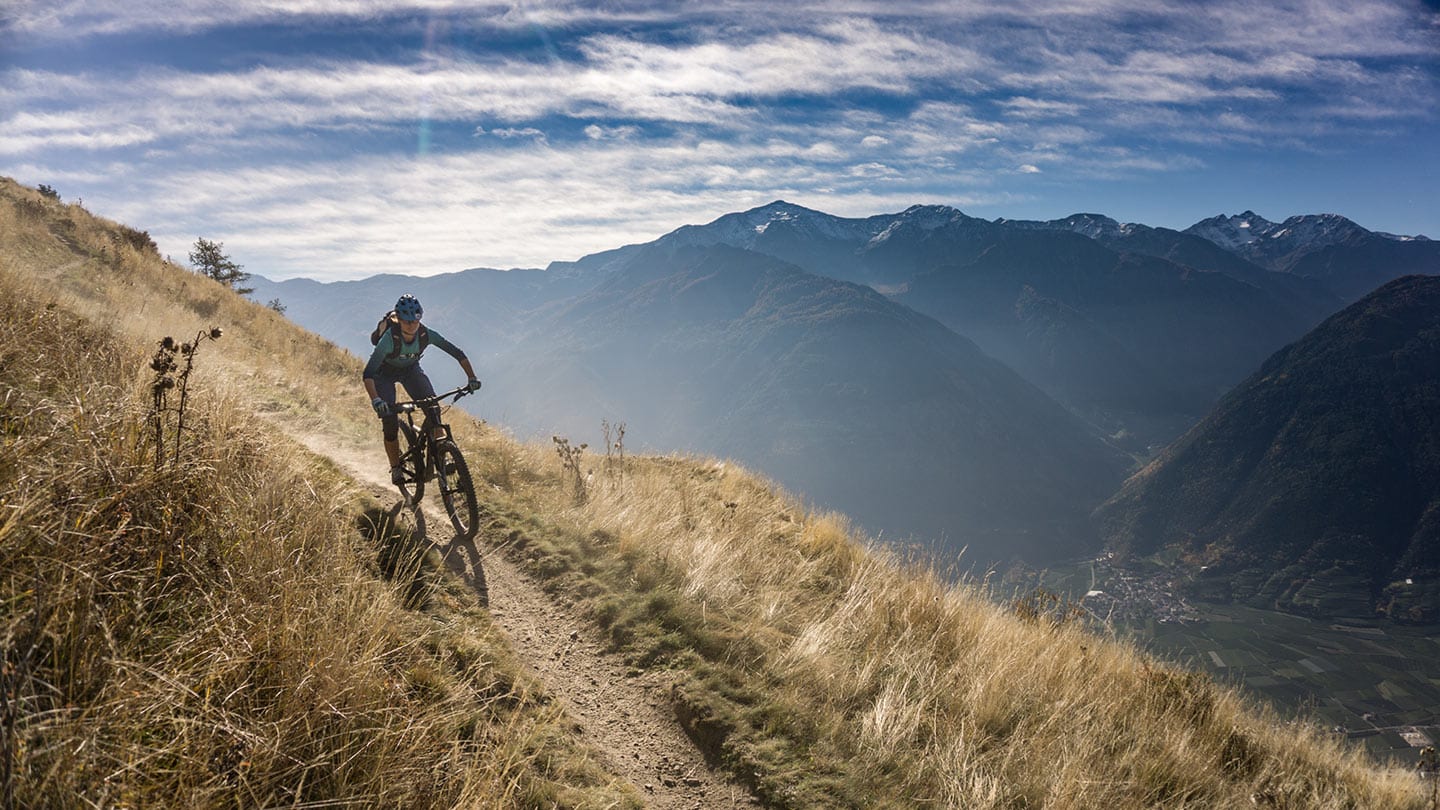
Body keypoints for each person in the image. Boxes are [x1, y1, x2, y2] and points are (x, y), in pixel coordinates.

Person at [362, 293, 481, 484]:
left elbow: (457, 353)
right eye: (407, 322)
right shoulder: (388, 340)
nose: (412, 325)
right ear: (399, 320)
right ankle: (395, 468)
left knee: (433, 409)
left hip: (410, 370)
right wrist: (376, 399)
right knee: (390, 422)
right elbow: (368, 374)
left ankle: (443, 455)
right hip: (383, 374)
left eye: (415, 321)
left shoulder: (426, 334)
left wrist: (472, 377)